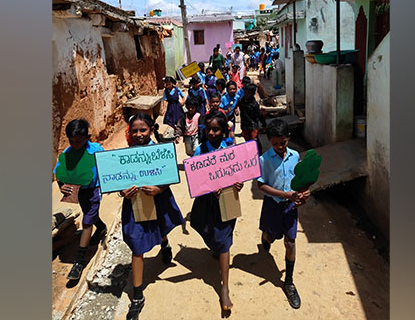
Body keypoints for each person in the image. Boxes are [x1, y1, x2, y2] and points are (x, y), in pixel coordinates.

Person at [119, 113, 185, 320]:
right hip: (135, 205)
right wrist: (123, 192)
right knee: (136, 246)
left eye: (143, 130)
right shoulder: (123, 157)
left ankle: (164, 245)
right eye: (135, 130)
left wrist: (159, 188)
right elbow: (116, 180)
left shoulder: (160, 152)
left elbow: (171, 176)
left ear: (151, 130)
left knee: (161, 227)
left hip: (159, 199)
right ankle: (137, 296)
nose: (139, 134)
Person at [190, 111, 244, 312]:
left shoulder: (231, 150)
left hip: (228, 200)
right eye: (209, 129)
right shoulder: (199, 151)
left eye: (216, 129)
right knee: (207, 231)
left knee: (223, 242)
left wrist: (238, 185)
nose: (212, 133)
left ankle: (224, 287)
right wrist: (208, 187)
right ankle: (216, 248)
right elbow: (195, 180)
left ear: (224, 131)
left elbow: (240, 174)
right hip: (207, 202)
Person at [257, 119, 310, 310]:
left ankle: (289, 282)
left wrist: (304, 193)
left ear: (288, 138)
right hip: (273, 204)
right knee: (271, 236)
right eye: (275, 143)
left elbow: (301, 180)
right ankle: (265, 237)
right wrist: (284, 194)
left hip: (290, 207)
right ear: (269, 141)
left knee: (290, 242)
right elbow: (261, 185)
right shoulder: (264, 159)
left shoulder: (295, 156)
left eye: (283, 142)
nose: (280, 146)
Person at [54, 119, 108, 281]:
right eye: (72, 141)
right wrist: (62, 186)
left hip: (94, 190)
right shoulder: (66, 155)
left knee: (86, 222)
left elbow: (107, 166)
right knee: (89, 214)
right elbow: (60, 174)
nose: (76, 144)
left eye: (79, 141)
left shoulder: (96, 150)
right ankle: (102, 227)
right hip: (80, 191)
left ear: (87, 137)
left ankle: (78, 262)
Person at [237, 83, 266, 154]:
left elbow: (260, 115)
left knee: (254, 141)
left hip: (253, 126)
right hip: (244, 124)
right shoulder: (241, 101)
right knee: (247, 141)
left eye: (248, 92)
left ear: (252, 93)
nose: (246, 94)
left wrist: (264, 124)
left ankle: (259, 154)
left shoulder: (254, 104)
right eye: (245, 92)